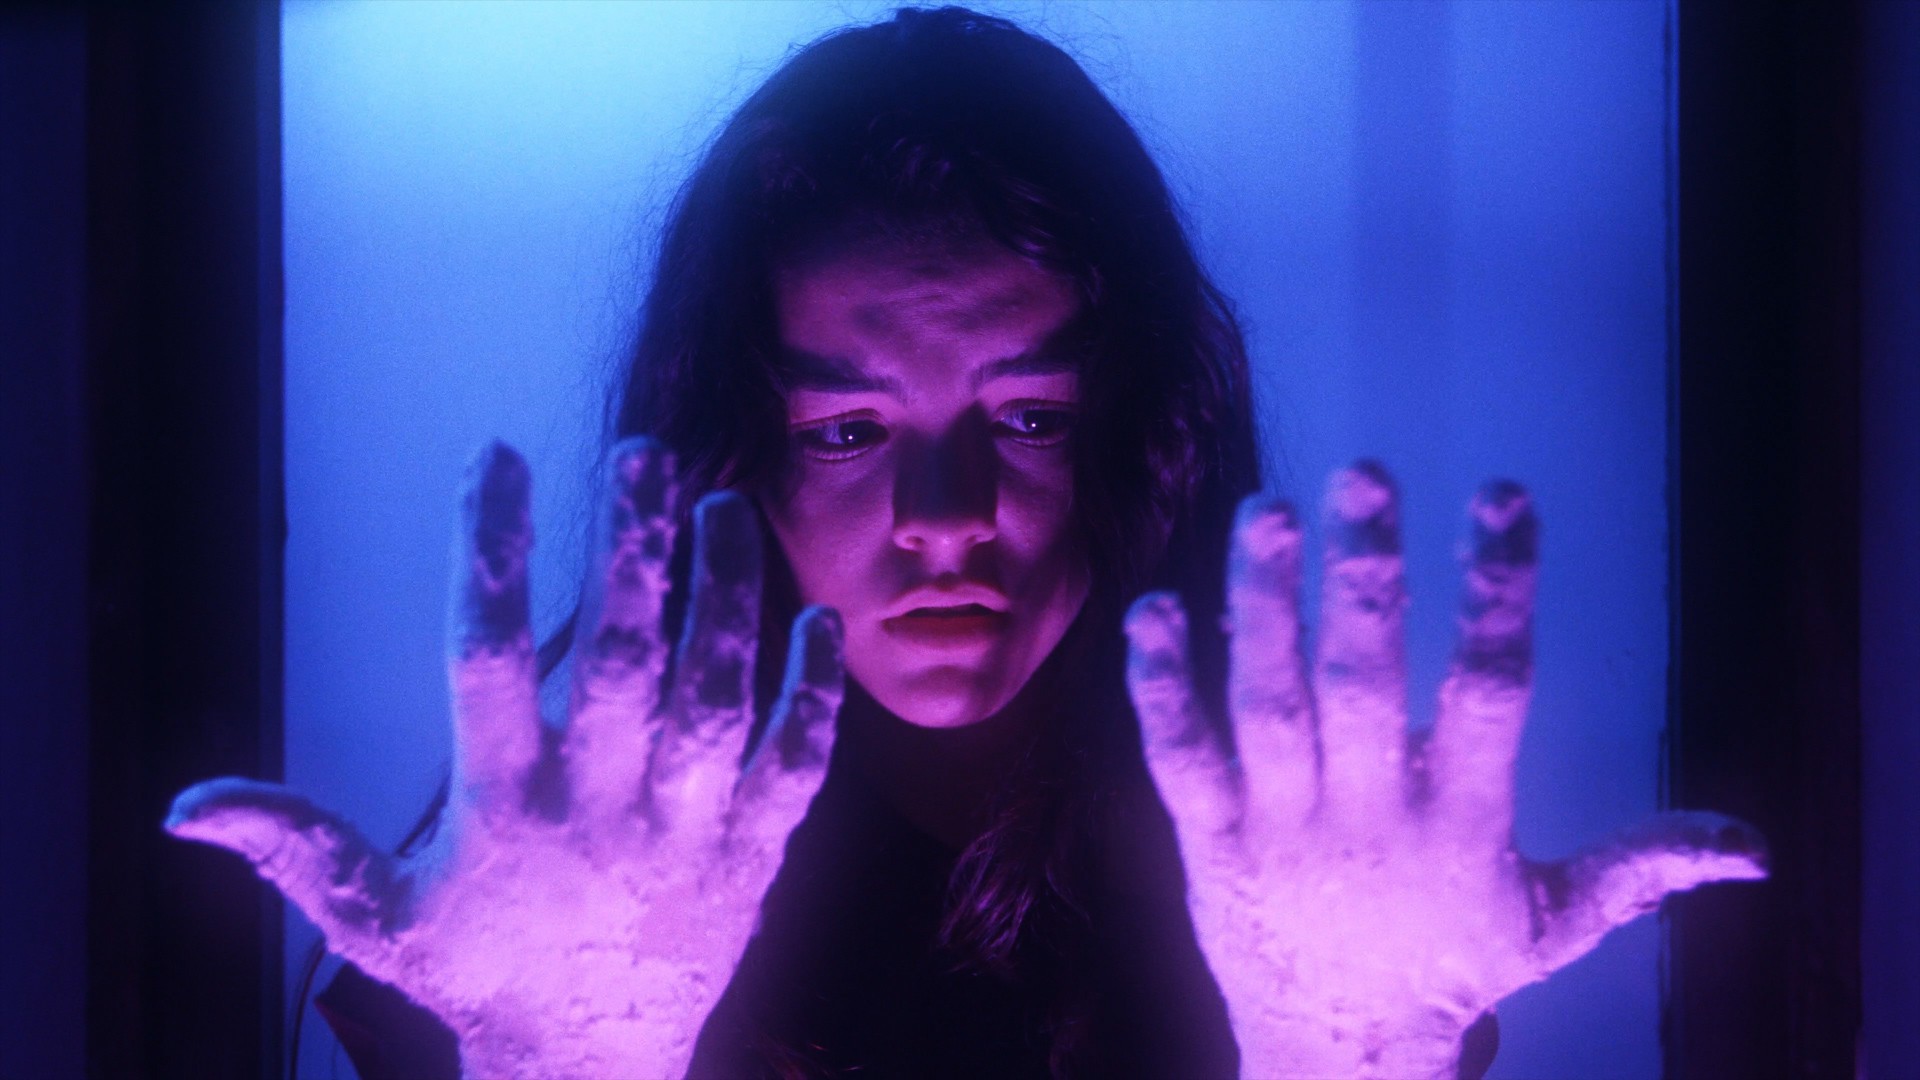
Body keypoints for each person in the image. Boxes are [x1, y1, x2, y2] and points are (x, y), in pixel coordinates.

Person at [168, 8, 1765, 1078]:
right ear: (739, 452)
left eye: (1029, 414)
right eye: (847, 430)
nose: (948, 519)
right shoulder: (553, 870)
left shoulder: (1319, 874)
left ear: (1139, 432)